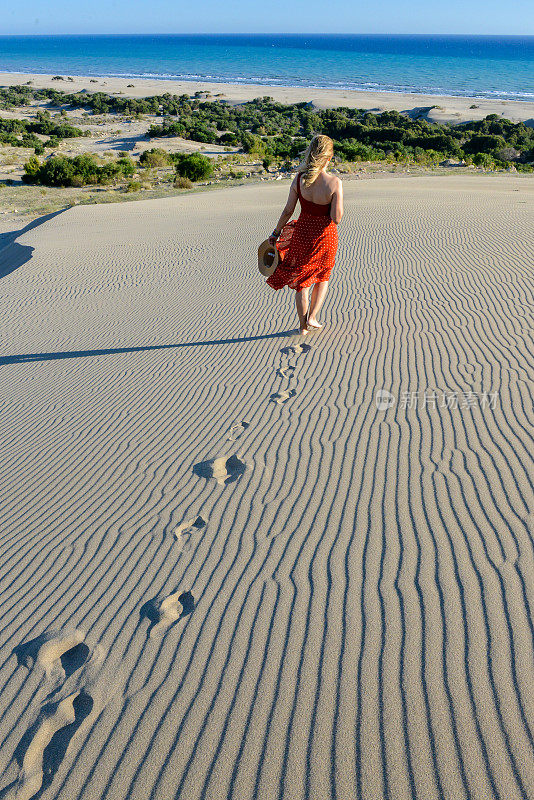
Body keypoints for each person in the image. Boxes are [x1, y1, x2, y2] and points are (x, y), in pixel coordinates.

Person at [266, 134, 343, 335]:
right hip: (325, 237)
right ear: (328, 158)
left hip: (301, 235)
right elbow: (336, 218)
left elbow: (287, 210)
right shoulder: (334, 182)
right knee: (322, 276)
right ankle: (313, 317)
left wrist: (276, 232)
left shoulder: (299, 179)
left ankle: (302, 326)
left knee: (302, 281)